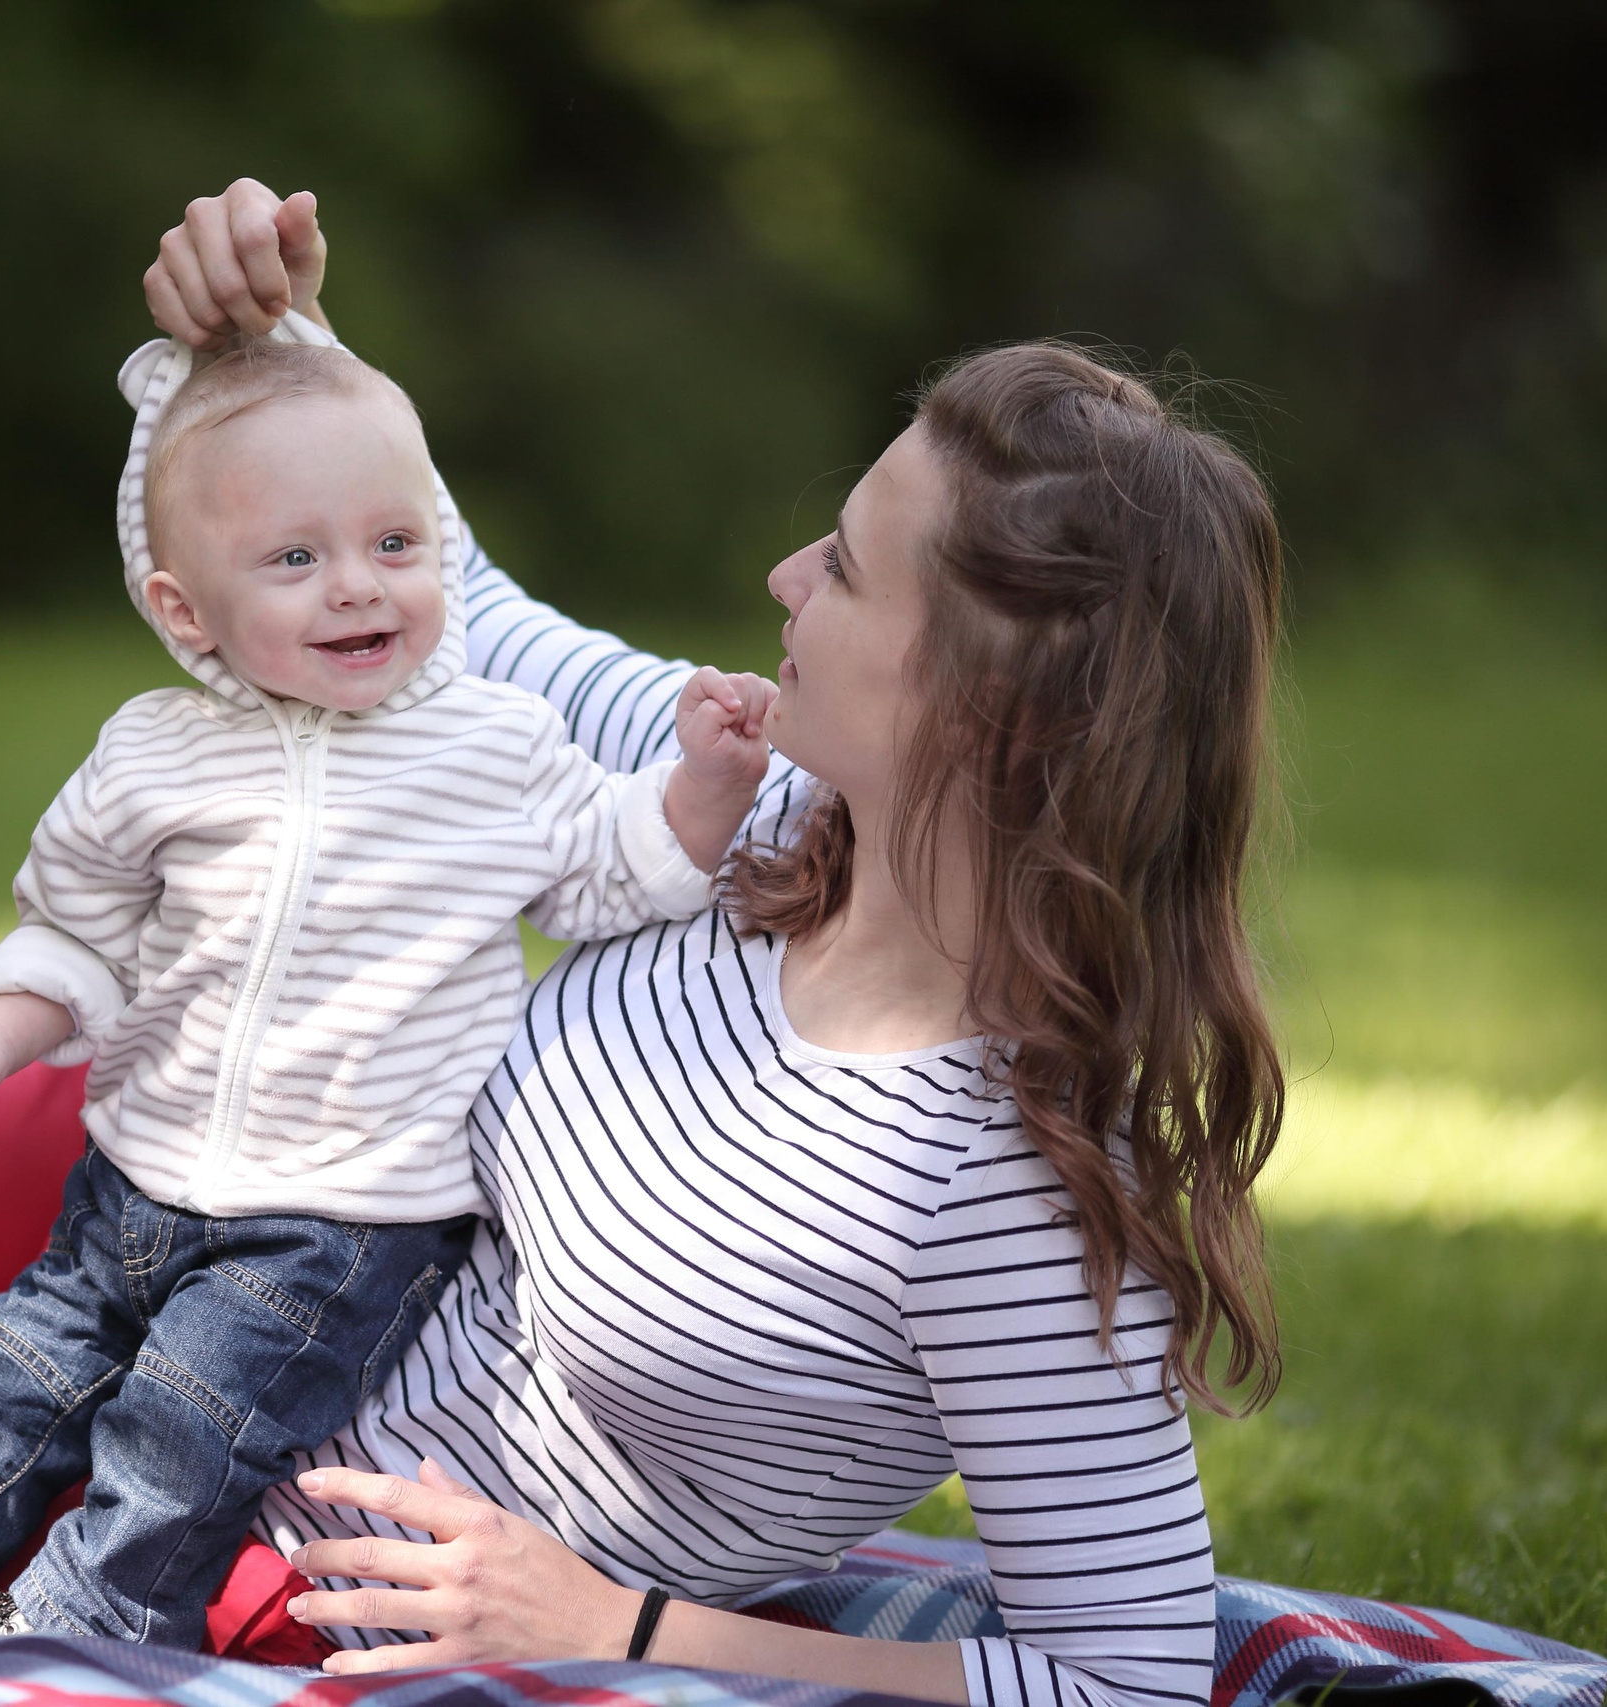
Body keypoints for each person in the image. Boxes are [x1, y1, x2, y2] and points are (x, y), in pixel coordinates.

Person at [137, 180, 1287, 1707]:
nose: (785, 579)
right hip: (184, 1259)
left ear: (985, 715)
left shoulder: (1008, 1192)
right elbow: (460, 620)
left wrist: (617, 1628)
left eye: (850, 569)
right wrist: (282, 344)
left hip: (233, 1544)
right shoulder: (755, 799)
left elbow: (1128, 1682)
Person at [0, 309, 780, 1649]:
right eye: (298, 560)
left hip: (342, 1218)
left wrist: (704, 792)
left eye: (395, 544)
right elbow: (80, 922)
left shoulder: (498, 747)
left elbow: (614, 871)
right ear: (184, 609)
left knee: (188, 1427)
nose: (361, 587)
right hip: (139, 1175)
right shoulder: (154, 755)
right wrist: (4, 1030)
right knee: (4, 1368)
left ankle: (78, 1631)